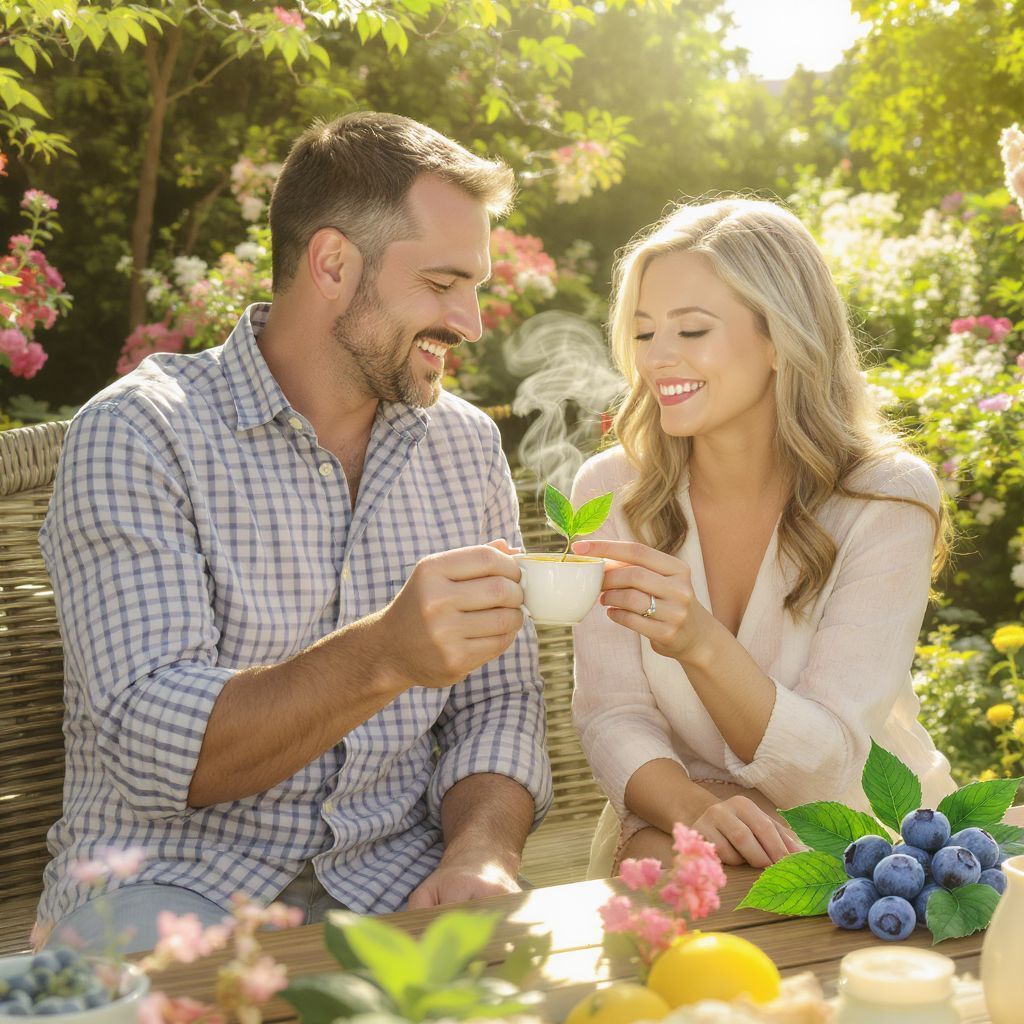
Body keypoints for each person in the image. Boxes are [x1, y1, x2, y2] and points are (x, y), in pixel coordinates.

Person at [35, 111, 552, 951]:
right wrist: (385, 654)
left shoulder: (463, 446)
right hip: (171, 888)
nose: (472, 322)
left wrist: (481, 851)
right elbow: (161, 751)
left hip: (398, 884)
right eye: (443, 283)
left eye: (477, 286)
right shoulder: (140, 432)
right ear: (334, 264)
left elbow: (498, 705)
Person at [569, 197, 956, 876]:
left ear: (780, 338)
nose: (658, 358)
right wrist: (691, 805)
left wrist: (699, 642)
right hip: (673, 825)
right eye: (643, 332)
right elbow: (611, 715)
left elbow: (826, 772)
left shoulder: (886, 498)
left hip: (864, 846)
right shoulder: (611, 490)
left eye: (691, 331)